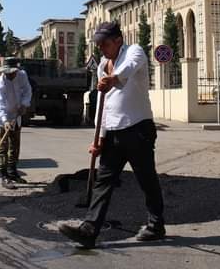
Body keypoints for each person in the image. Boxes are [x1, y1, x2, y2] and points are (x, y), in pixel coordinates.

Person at [59, 21, 165, 249]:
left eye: (104, 43)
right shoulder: (102, 65)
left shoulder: (133, 51)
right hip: (113, 134)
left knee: (146, 179)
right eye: (98, 45)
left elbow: (130, 68)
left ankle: (156, 225)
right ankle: (89, 230)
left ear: (118, 40)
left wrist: (113, 79)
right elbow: (103, 106)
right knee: (103, 181)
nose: (101, 49)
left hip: (138, 129)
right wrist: (99, 137)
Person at [0, 57, 32, 190]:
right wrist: (5, 120)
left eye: (12, 72)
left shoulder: (22, 76)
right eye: (7, 72)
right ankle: (4, 177)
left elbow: (27, 91)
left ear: (16, 70)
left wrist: (25, 104)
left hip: (16, 115)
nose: (10, 75)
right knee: (2, 147)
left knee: (15, 146)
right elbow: (0, 104)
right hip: (1, 118)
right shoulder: (1, 82)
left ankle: (12, 173)